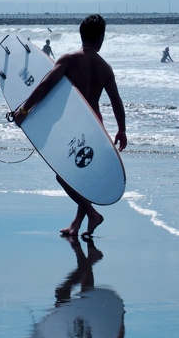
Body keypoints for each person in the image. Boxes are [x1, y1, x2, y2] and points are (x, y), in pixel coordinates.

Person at [12, 14, 126, 240]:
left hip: (74, 126)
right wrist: (122, 129)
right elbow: (116, 101)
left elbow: (46, 84)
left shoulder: (69, 60)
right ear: (101, 38)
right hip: (95, 126)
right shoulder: (105, 68)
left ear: (81, 35)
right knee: (83, 175)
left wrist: (25, 110)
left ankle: (92, 214)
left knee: (64, 176)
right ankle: (76, 224)